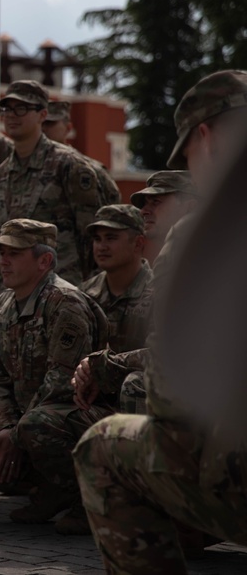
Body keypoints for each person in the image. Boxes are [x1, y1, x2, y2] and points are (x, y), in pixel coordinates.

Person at [73, 70, 247, 573]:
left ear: (206, 138)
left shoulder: (204, 232)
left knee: (102, 447)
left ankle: (188, 525)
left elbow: (174, 388)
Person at [0, 219, 110, 534]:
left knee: (37, 424)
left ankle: (87, 499)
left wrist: (15, 434)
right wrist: (5, 426)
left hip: (74, 415)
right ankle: (48, 487)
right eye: (1, 252)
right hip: (27, 417)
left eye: (14, 253)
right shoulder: (4, 303)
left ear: (44, 261)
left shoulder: (65, 304)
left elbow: (61, 384)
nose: (3, 260)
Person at [0, 80, 110, 285]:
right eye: (6, 108)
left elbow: (92, 234)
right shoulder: (2, 173)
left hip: (64, 287)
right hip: (18, 290)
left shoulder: (69, 165)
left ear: (42, 114)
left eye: (21, 108)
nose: (11, 115)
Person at [70, 205, 154, 416]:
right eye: (97, 239)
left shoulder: (160, 292)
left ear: (138, 243)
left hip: (142, 402)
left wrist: (104, 366)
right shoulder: (84, 294)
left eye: (111, 237)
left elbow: (163, 354)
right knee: (38, 425)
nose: (101, 246)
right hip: (92, 400)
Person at [42, 101, 122, 209]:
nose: (43, 128)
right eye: (41, 123)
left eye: (50, 123)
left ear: (68, 128)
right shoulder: (21, 165)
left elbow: (112, 205)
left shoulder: (89, 168)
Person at [130, 170, 197, 266]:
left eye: (155, 202)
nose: (143, 211)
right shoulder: (170, 258)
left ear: (190, 207)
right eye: (145, 203)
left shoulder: (209, 257)